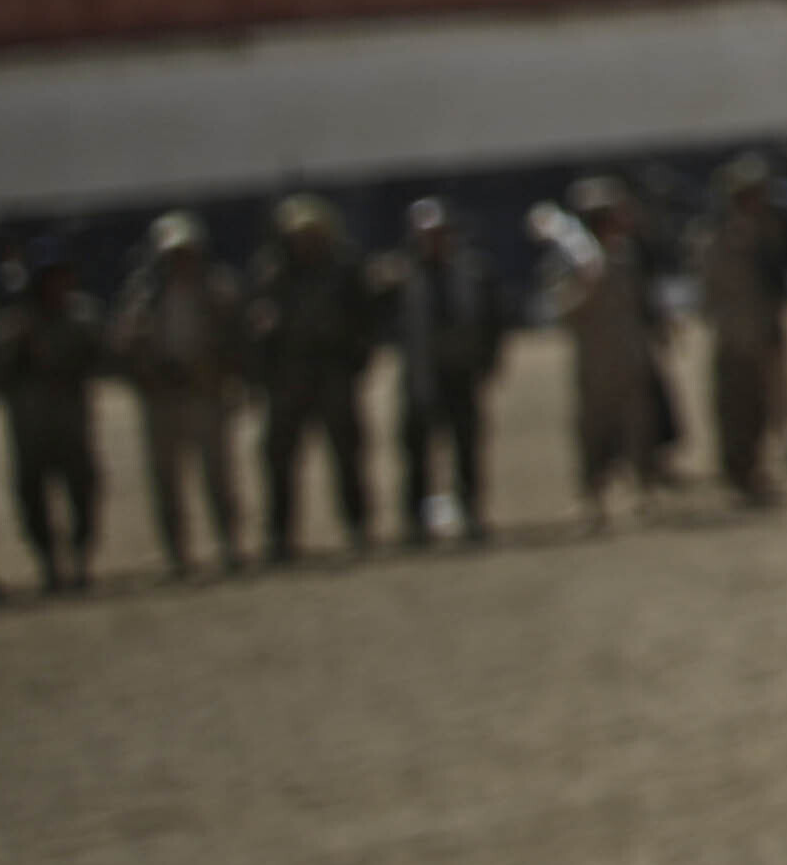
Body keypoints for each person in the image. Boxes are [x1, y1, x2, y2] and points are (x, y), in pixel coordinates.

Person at [118, 210, 248, 580]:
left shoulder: (217, 290)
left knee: (219, 475)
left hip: (205, 391)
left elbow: (236, 342)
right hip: (163, 398)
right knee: (166, 480)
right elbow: (124, 346)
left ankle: (229, 543)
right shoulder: (143, 296)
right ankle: (177, 553)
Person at [254, 196, 382, 562]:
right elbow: (258, 328)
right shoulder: (273, 273)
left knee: (347, 455)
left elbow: (365, 323)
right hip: (289, 379)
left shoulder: (343, 270)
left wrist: (354, 362)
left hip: (333, 376)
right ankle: (280, 535)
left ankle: (357, 526)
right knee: (280, 460)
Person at [538, 183, 664, 532]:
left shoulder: (626, 257)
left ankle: (642, 487)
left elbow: (641, 303)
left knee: (639, 425)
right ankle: (592, 495)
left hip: (630, 355)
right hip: (594, 363)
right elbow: (561, 310)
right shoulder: (570, 262)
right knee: (592, 431)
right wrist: (586, 284)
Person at [379, 199, 503, 542]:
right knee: (416, 452)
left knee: (467, 447)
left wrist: (487, 361)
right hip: (421, 376)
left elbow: (493, 322)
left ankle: (470, 510)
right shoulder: (403, 278)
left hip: (460, 375)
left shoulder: (472, 273)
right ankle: (416, 520)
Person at [0, 244, 106, 591]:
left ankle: (80, 558)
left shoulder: (81, 316)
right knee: (33, 499)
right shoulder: (18, 322)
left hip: (71, 423)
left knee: (84, 492)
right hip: (32, 426)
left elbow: (98, 358)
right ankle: (49, 563)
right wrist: (19, 344)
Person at [696, 158, 787, 510]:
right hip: (736, 337)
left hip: (762, 333)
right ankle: (740, 474)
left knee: (762, 409)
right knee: (736, 410)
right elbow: (715, 291)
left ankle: (754, 470)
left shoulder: (765, 232)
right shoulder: (719, 239)